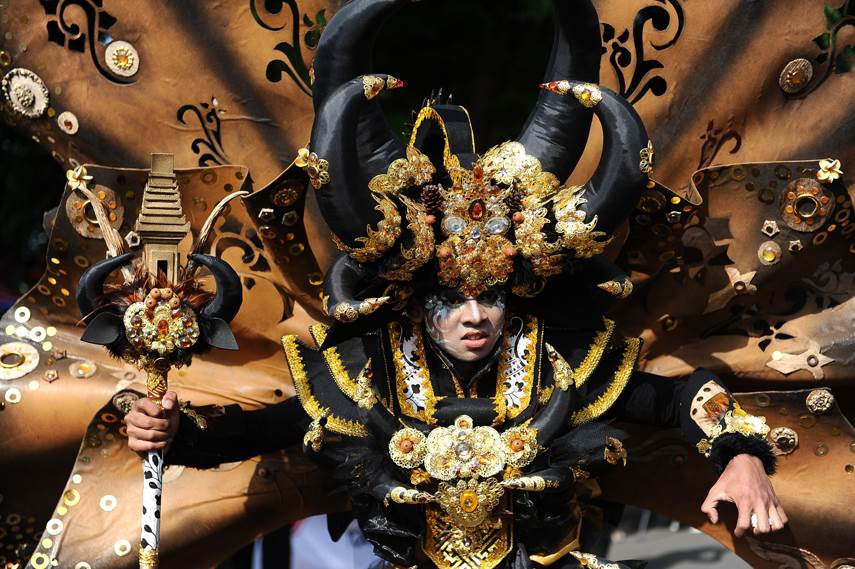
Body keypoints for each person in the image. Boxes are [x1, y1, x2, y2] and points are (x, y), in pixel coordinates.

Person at [127, 1, 787, 566]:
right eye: (451, 297)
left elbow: (682, 398)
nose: (475, 314)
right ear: (416, 301)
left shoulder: (555, 362)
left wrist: (741, 454)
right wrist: (168, 431)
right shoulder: (366, 372)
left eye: (490, 293)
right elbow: (236, 438)